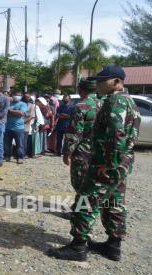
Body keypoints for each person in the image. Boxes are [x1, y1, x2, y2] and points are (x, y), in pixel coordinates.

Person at [48, 66, 141, 261]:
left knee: (85, 202)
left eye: (102, 80)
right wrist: (117, 164)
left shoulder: (116, 101)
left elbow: (117, 134)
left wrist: (110, 163)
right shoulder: (129, 101)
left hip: (106, 165)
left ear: (117, 81)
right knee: (114, 203)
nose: (98, 83)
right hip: (122, 165)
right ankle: (113, 245)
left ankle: (78, 247)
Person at [61, 79, 100, 214]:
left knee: (80, 182)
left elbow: (74, 134)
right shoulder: (104, 104)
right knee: (92, 181)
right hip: (100, 152)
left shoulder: (81, 106)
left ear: (80, 90)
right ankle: (80, 206)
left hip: (83, 152)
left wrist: (67, 153)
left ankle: (82, 213)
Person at [4, 91, 27, 164]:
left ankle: (20, 157)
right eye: (16, 95)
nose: (17, 96)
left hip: (19, 128)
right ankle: (7, 156)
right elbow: (4, 113)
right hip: (8, 127)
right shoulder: (9, 103)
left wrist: (10, 111)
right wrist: (15, 112)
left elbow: (21, 113)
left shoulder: (23, 104)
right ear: (13, 95)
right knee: (7, 144)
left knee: (19, 144)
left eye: (19, 95)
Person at [22, 92, 36, 158]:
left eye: (28, 97)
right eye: (25, 97)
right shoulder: (20, 104)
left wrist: (24, 122)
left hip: (26, 125)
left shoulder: (31, 105)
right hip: (17, 125)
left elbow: (32, 116)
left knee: (24, 140)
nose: (26, 98)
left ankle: (23, 154)